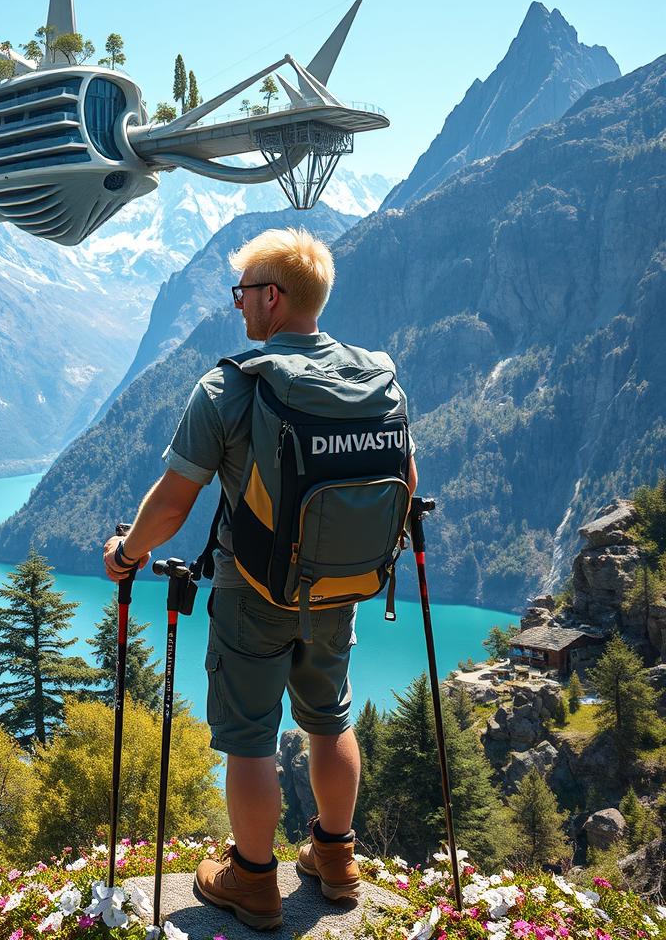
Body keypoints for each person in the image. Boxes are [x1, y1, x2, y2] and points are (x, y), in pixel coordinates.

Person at [103, 227, 417, 930]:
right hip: (342, 587)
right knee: (330, 715)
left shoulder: (233, 385)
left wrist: (128, 551)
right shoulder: (374, 378)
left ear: (272, 298)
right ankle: (335, 860)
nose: (238, 306)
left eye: (242, 293)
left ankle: (252, 881)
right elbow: (405, 483)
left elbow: (175, 498)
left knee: (248, 735)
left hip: (255, 590)